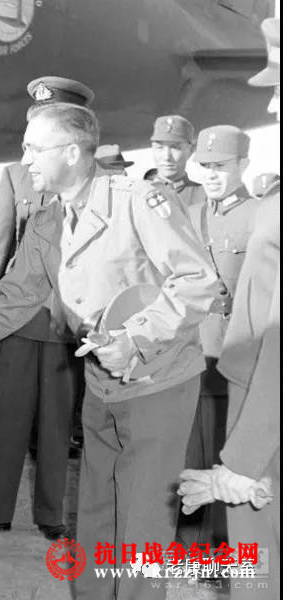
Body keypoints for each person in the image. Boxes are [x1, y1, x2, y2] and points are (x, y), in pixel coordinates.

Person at [0, 103, 217, 600]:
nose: (26, 159)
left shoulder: (139, 200)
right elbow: (13, 302)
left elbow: (198, 281)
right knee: (95, 515)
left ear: (72, 152)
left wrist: (135, 337)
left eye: (34, 148)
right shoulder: (48, 220)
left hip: (157, 383)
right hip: (100, 382)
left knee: (141, 525)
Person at [0, 77, 93, 542]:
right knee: (8, 419)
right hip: (19, 320)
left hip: (65, 322)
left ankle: (50, 514)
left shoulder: (96, 180)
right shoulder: (15, 175)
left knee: (57, 424)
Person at [181, 18, 280, 599]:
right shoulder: (198, 209)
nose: (272, 101)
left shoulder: (264, 207)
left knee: (258, 571)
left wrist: (242, 460)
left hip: (256, 398)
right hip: (213, 362)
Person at [176, 125, 258, 548]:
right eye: (205, 166)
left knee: (225, 457)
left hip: (233, 357)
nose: (211, 174)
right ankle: (187, 545)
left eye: (220, 166)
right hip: (189, 355)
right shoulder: (190, 215)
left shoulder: (261, 216)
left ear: (244, 164)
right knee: (188, 455)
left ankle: (221, 550)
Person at [150, 114, 206, 210]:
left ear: (190, 150)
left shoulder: (204, 197)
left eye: (175, 147)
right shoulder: (140, 194)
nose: (166, 157)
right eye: (160, 147)